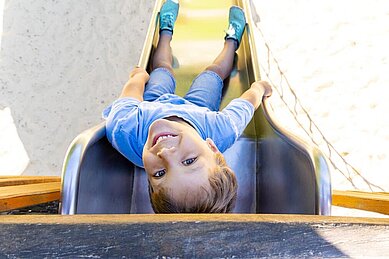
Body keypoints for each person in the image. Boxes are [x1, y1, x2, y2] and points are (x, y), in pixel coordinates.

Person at [103, 0, 272, 213]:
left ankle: (165, 31)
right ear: (211, 147)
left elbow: (129, 98)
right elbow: (244, 106)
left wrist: (138, 78)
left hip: (154, 104)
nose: (166, 154)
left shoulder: (126, 131)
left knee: (163, 68)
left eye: (159, 174)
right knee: (214, 72)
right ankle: (232, 39)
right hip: (197, 110)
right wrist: (258, 88)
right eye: (189, 161)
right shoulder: (220, 129)